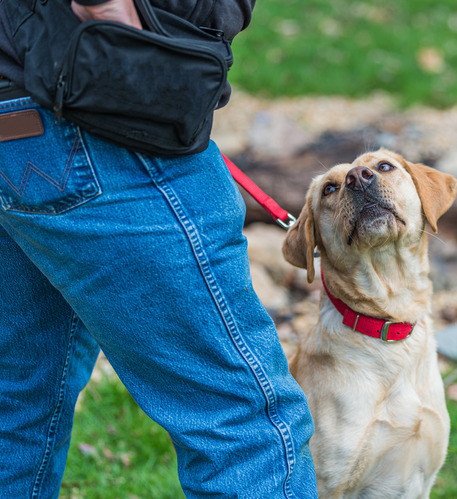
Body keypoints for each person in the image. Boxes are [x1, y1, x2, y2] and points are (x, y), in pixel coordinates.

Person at [0, 0, 317, 497]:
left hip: (19, 112)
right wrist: (113, 18)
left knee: (17, 403)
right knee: (242, 425)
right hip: (94, 114)